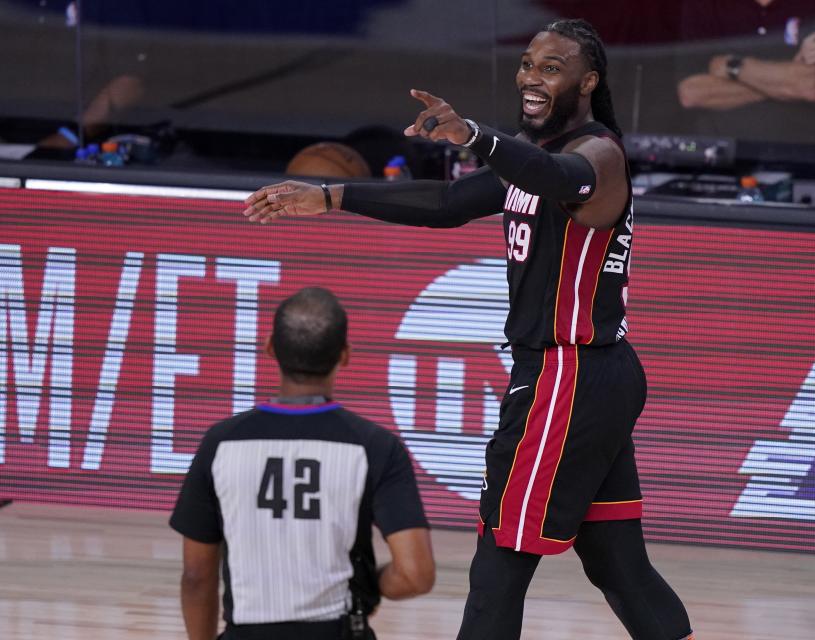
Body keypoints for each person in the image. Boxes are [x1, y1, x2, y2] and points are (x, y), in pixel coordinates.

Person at [243, 18, 693, 640]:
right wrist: (330, 197)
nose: (532, 77)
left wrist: (478, 136)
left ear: (588, 81)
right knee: (619, 564)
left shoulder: (598, 155)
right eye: (528, 63)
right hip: (593, 378)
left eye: (552, 67)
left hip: (565, 374)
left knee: (498, 568)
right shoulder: (534, 160)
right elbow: (448, 205)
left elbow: (556, 179)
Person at [169, 287, 435, 640]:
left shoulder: (220, 443)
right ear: (345, 356)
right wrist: (367, 586)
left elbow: (196, 577)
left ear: (269, 348)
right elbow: (415, 575)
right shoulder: (376, 446)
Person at [675, 0, 815, 146]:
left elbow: (810, 86)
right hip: (722, 157)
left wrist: (732, 67)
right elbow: (691, 94)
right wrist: (786, 79)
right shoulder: (705, 4)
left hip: (805, 157)